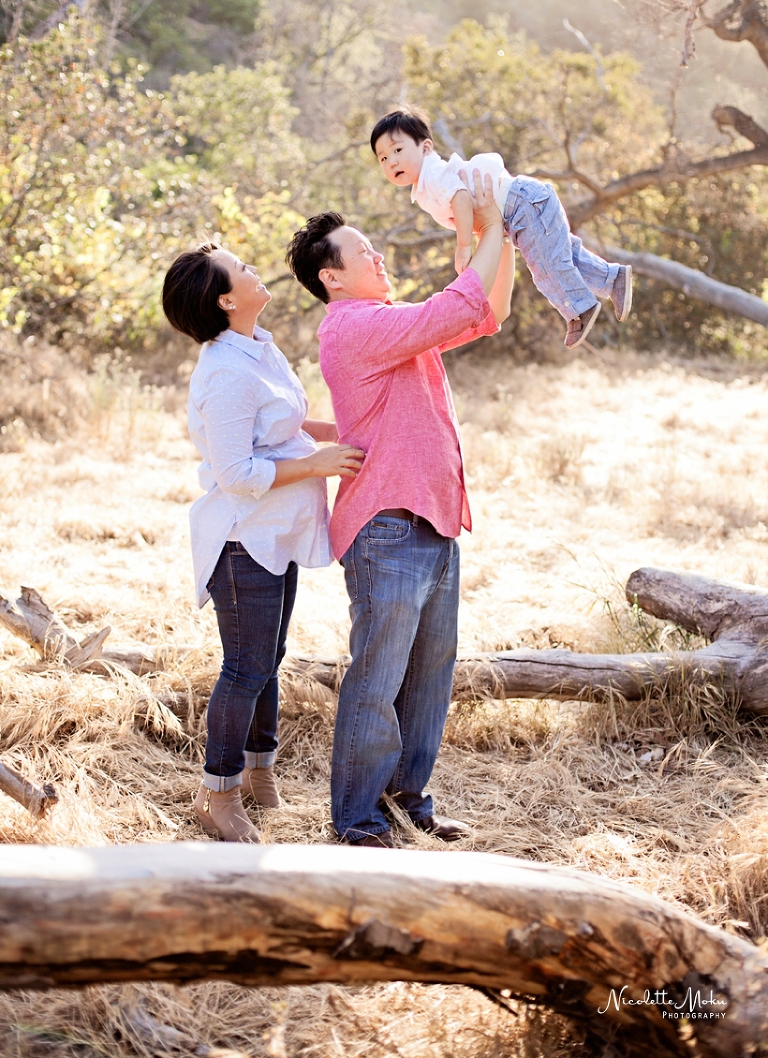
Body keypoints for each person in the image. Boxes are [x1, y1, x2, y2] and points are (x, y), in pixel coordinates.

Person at [285, 172, 513, 847]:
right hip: (386, 525)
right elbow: (456, 303)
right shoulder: (355, 328)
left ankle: (408, 800)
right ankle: (356, 820)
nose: (379, 257)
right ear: (332, 278)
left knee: (428, 675)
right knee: (377, 677)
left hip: (432, 518)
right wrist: (491, 223)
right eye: (364, 253)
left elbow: (484, 311)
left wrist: (500, 241)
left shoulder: (387, 325)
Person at [162, 243, 364, 843]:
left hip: (276, 533)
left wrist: (354, 433)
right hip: (241, 539)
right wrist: (319, 465)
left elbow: (286, 424)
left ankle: (258, 773)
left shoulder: (257, 348)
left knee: (268, 661)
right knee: (245, 667)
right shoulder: (224, 372)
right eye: (242, 269)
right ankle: (216, 793)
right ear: (227, 300)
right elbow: (236, 473)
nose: (254, 271)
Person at [371, 105, 632, 351]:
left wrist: (463, 247)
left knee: (545, 266)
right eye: (383, 157)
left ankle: (579, 307)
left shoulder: (433, 174)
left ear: (425, 147)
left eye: (397, 150)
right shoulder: (425, 184)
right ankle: (613, 279)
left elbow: (460, 197)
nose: (391, 162)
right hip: (523, 205)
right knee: (564, 256)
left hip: (521, 204)